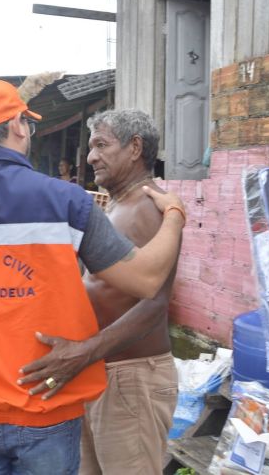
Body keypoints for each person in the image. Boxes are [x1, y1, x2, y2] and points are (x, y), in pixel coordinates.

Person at [0, 80, 186, 474]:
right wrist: (175, 216)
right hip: (47, 411)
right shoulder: (66, 201)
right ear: (19, 126)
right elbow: (146, 281)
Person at [22, 109, 179, 474]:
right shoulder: (117, 206)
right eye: (92, 146)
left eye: (101, 145)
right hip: (99, 370)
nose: (91, 156)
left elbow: (155, 304)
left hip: (130, 377)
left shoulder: (150, 207)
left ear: (135, 147)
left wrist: (83, 353)